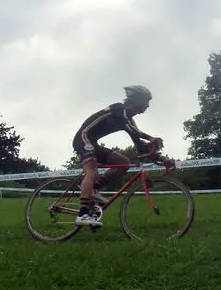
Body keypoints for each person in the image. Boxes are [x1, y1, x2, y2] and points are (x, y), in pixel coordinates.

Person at [71, 86, 168, 228]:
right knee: (91, 171)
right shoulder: (118, 109)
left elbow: (140, 146)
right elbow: (133, 131)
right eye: (146, 101)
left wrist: (162, 159)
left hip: (94, 143)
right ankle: (83, 213)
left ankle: (93, 189)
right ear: (137, 100)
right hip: (83, 139)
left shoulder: (129, 121)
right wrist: (150, 137)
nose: (148, 105)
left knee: (124, 163)